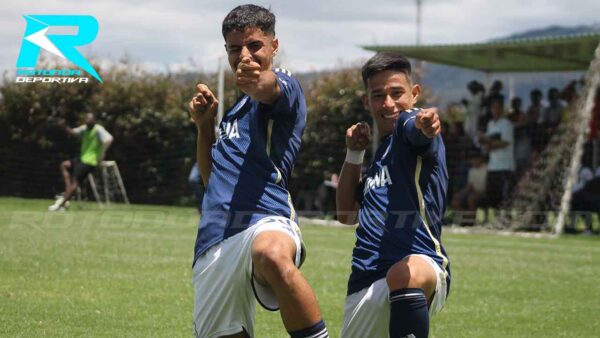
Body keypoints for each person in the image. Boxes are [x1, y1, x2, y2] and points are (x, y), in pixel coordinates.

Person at [187, 5, 329, 338]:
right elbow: (212, 182)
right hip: (214, 238)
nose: (245, 55)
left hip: (265, 219)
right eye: (236, 49)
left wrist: (257, 80)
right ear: (226, 51)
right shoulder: (234, 115)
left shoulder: (286, 86)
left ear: (274, 46)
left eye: (255, 45)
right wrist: (205, 127)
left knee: (273, 255)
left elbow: (269, 87)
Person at [336, 52, 450, 338]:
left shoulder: (408, 124)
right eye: (378, 96)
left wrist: (426, 126)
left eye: (397, 93)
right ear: (367, 102)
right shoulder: (379, 159)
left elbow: (418, 129)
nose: (388, 103)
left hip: (419, 266)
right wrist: (354, 153)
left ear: (414, 94)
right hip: (364, 280)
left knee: (403, 274)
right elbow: (346, 213)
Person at [49, 112, 113, 211]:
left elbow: (109, 139)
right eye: (86, 118)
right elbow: (72, 132)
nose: (87, 120)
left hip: (90, 162)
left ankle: (60, 206)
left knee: (76, 182)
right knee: (64, 165)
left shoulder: (98, 129)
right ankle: (67, 191)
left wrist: (102, 153)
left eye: (89, 119)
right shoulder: (84, 128)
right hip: (82, 158)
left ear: (94, 120)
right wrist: (64, 126)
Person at [480, 97, 515, 211]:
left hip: (505, 166)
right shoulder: (490, 124)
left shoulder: (507, 124)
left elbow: (504, 143)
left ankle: (504, 218)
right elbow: (488, 145)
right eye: (493, 108)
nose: (495, 110)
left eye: (497, 107)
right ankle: (492, 219)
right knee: (492, 196)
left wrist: (487, 140)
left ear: (501, 109)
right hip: (492, 166)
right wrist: (489, 143)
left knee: (504, 197)